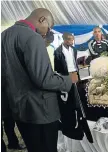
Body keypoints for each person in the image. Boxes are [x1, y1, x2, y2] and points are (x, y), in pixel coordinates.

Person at [1, 8, 73, 152]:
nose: (47, 32)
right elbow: (44, 80)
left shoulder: (3, 35)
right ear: (42, 19)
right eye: (49, 27)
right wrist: (67, 81)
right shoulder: (32, 37)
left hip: (18, 109)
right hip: (41, 112)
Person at [54, 32, 93, 143]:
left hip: (75, 74)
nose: (72, 41)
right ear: (65, 40)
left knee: (79, 94)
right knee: (71, 98)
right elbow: (57, 69)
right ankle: (74, 118)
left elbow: (76, 63)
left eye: (73, 39)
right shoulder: (58, 52)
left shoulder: (74, 50)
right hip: (66, 76)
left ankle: (82, 112)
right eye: (70, 39)